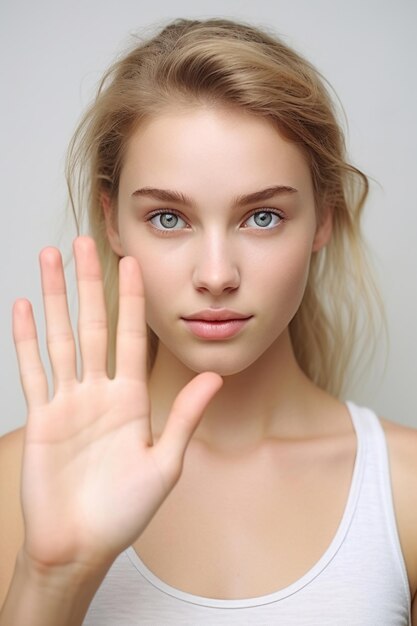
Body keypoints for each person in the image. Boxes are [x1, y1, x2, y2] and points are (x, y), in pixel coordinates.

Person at [0, 17, 416, 625]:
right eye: (169, 219)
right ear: (113, 221)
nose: (217, 275)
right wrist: (51, 577)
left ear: (323, 218)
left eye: (263, 216)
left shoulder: (407, 490)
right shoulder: (17, 484)